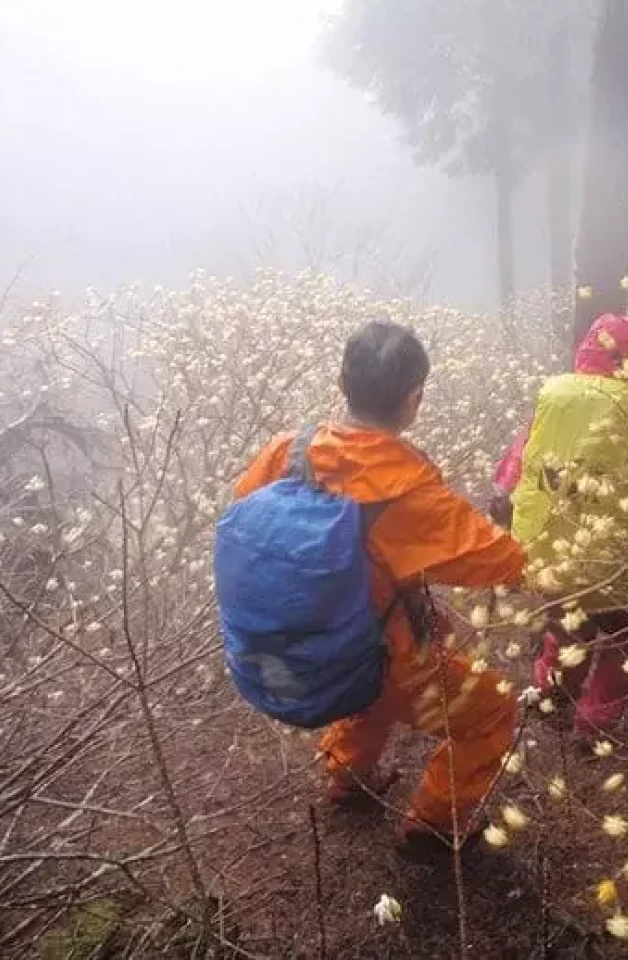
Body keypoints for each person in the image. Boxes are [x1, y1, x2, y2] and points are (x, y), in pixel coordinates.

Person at [233, 320, 526, 857]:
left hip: (288, 647)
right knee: (491, 710)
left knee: (373, 680)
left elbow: (247, 515)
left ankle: (346, 780)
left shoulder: (287, 451)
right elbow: (503, 562)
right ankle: (433, 829)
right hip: (374, 655)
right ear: (413, 399)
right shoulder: (404, 486)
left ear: (342, 381)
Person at [492, 314, 628, 745]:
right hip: (614, 562)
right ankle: (596, 721)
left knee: (566, 627)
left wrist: (505, 515)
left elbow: (516, 467)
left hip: (550, 557)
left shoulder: (553, 398)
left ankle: (553, 695)